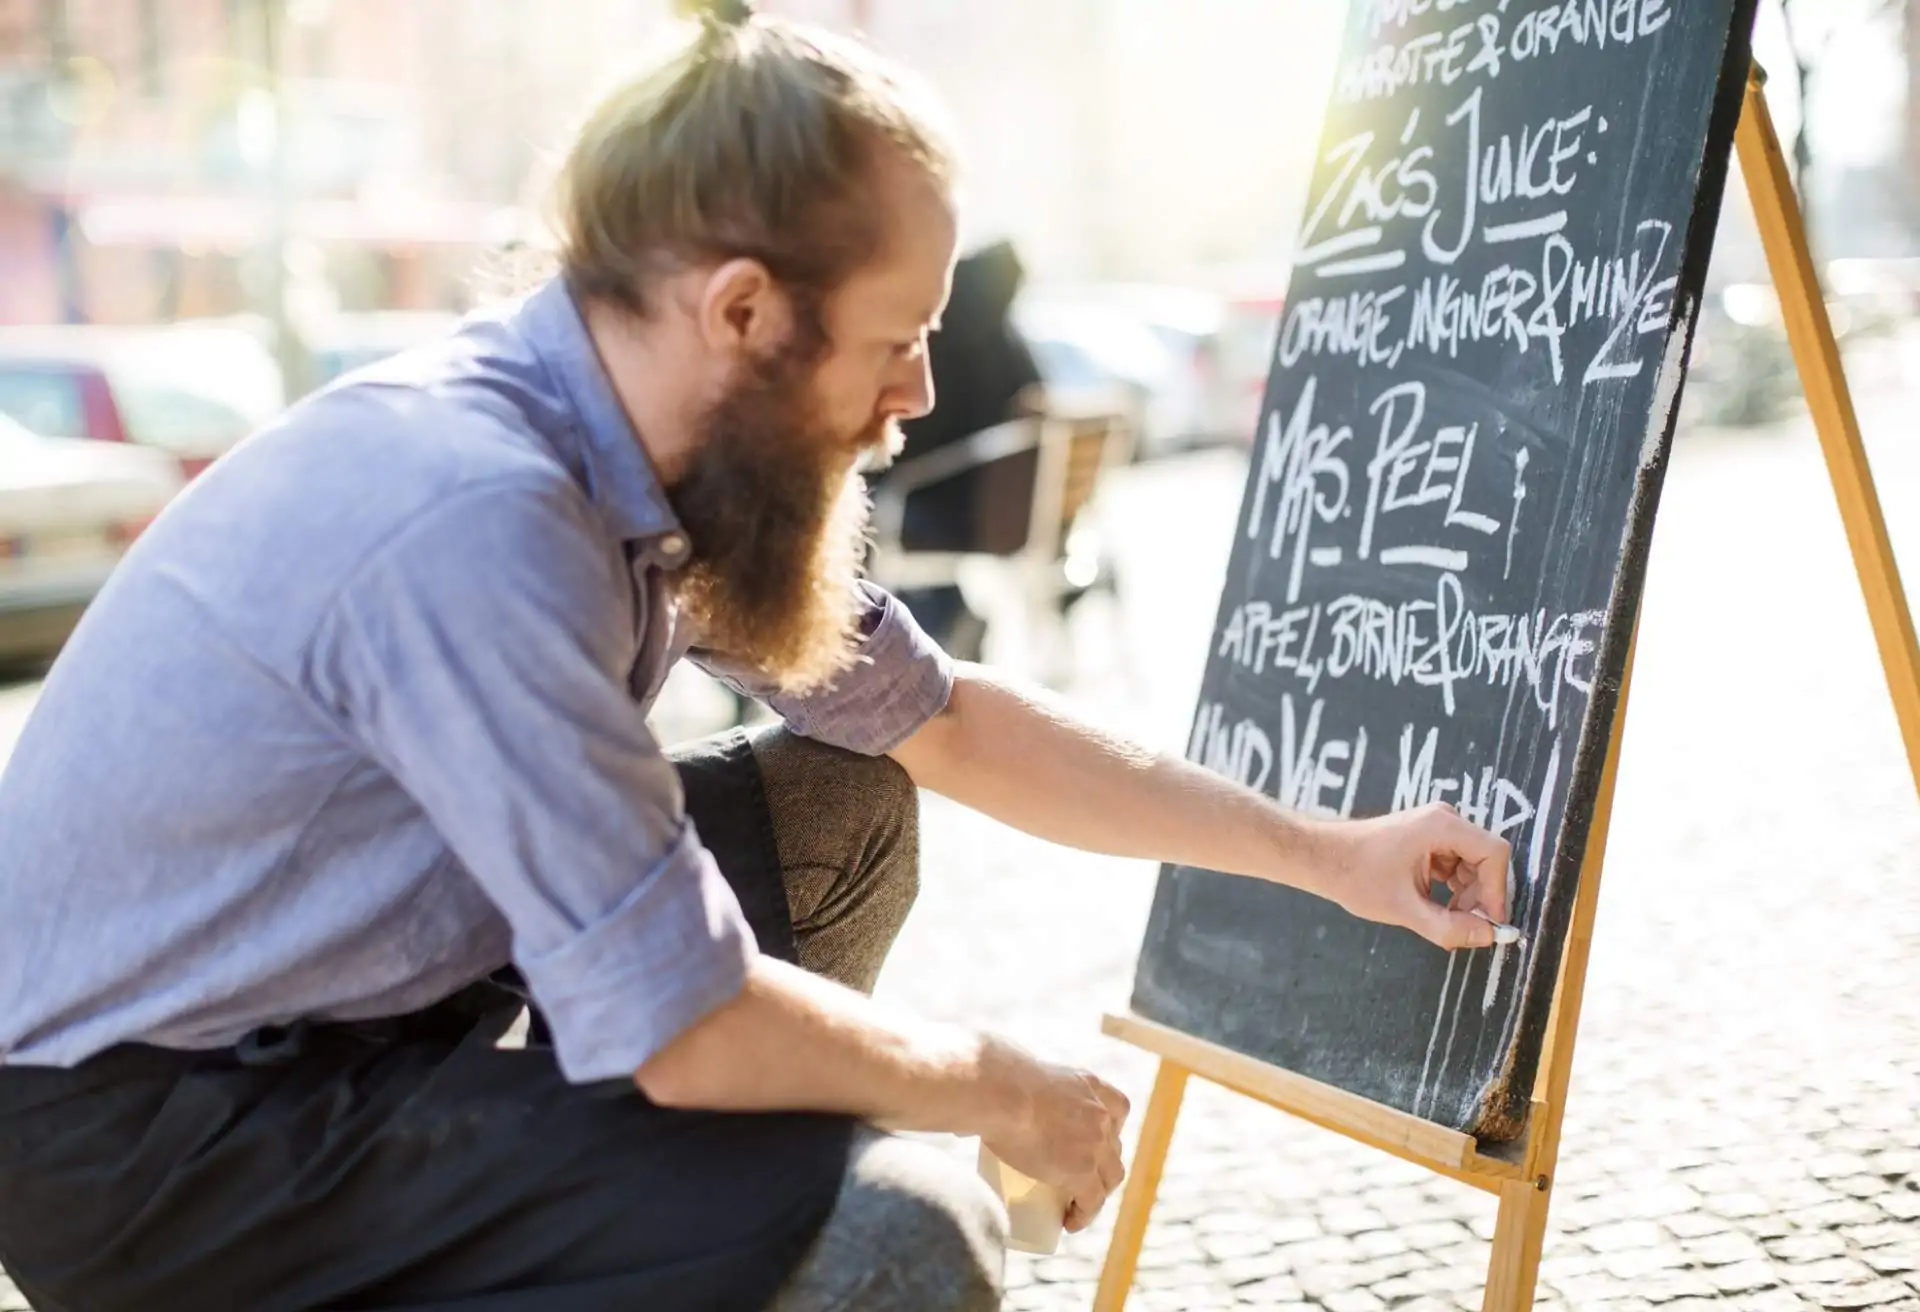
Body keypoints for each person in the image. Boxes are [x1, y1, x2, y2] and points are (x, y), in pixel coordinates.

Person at [0, 7, 1513, 1311]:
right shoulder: (475, 514)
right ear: (743, 311)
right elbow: (685, 1019)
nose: (916, 391)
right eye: (894, 339)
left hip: (365, 1012)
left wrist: (1331, 854)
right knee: (901, 1234)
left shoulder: (649, 445)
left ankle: (663, 1233)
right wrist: (1005, 1094)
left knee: (841, 815)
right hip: (155, 1144)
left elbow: (953, 724)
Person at [880, 238, 1046, 658]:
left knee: (881, 510)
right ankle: (943, 623)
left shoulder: (950, 340)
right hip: (1009, 511)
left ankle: (937, 627)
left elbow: (920, 437)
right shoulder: (1010, 342)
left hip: (955, 507)